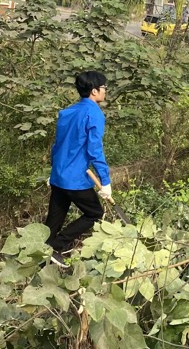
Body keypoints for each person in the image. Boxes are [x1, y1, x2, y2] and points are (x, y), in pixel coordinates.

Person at [45, 71, 112, 267]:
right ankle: (57, 246)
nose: (105, 92)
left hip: (59, 175)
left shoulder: (67, 112)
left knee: (54, 221)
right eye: (104, 88)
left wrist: (53, 172)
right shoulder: (94, 114)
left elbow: (58, 145)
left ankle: (42, 258)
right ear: (94, 91)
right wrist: (105, 181)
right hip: (74, 179)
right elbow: (95, 150)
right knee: (94, 213)